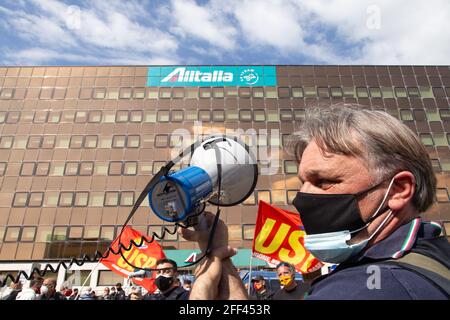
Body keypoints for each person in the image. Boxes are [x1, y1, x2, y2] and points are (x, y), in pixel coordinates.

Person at [182, 104, 450, 300]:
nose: (302, 198)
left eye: (324, 181)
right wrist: (216, 249)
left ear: (399, 190)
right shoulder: (429, 250)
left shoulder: (362, 288)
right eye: (303, 183)